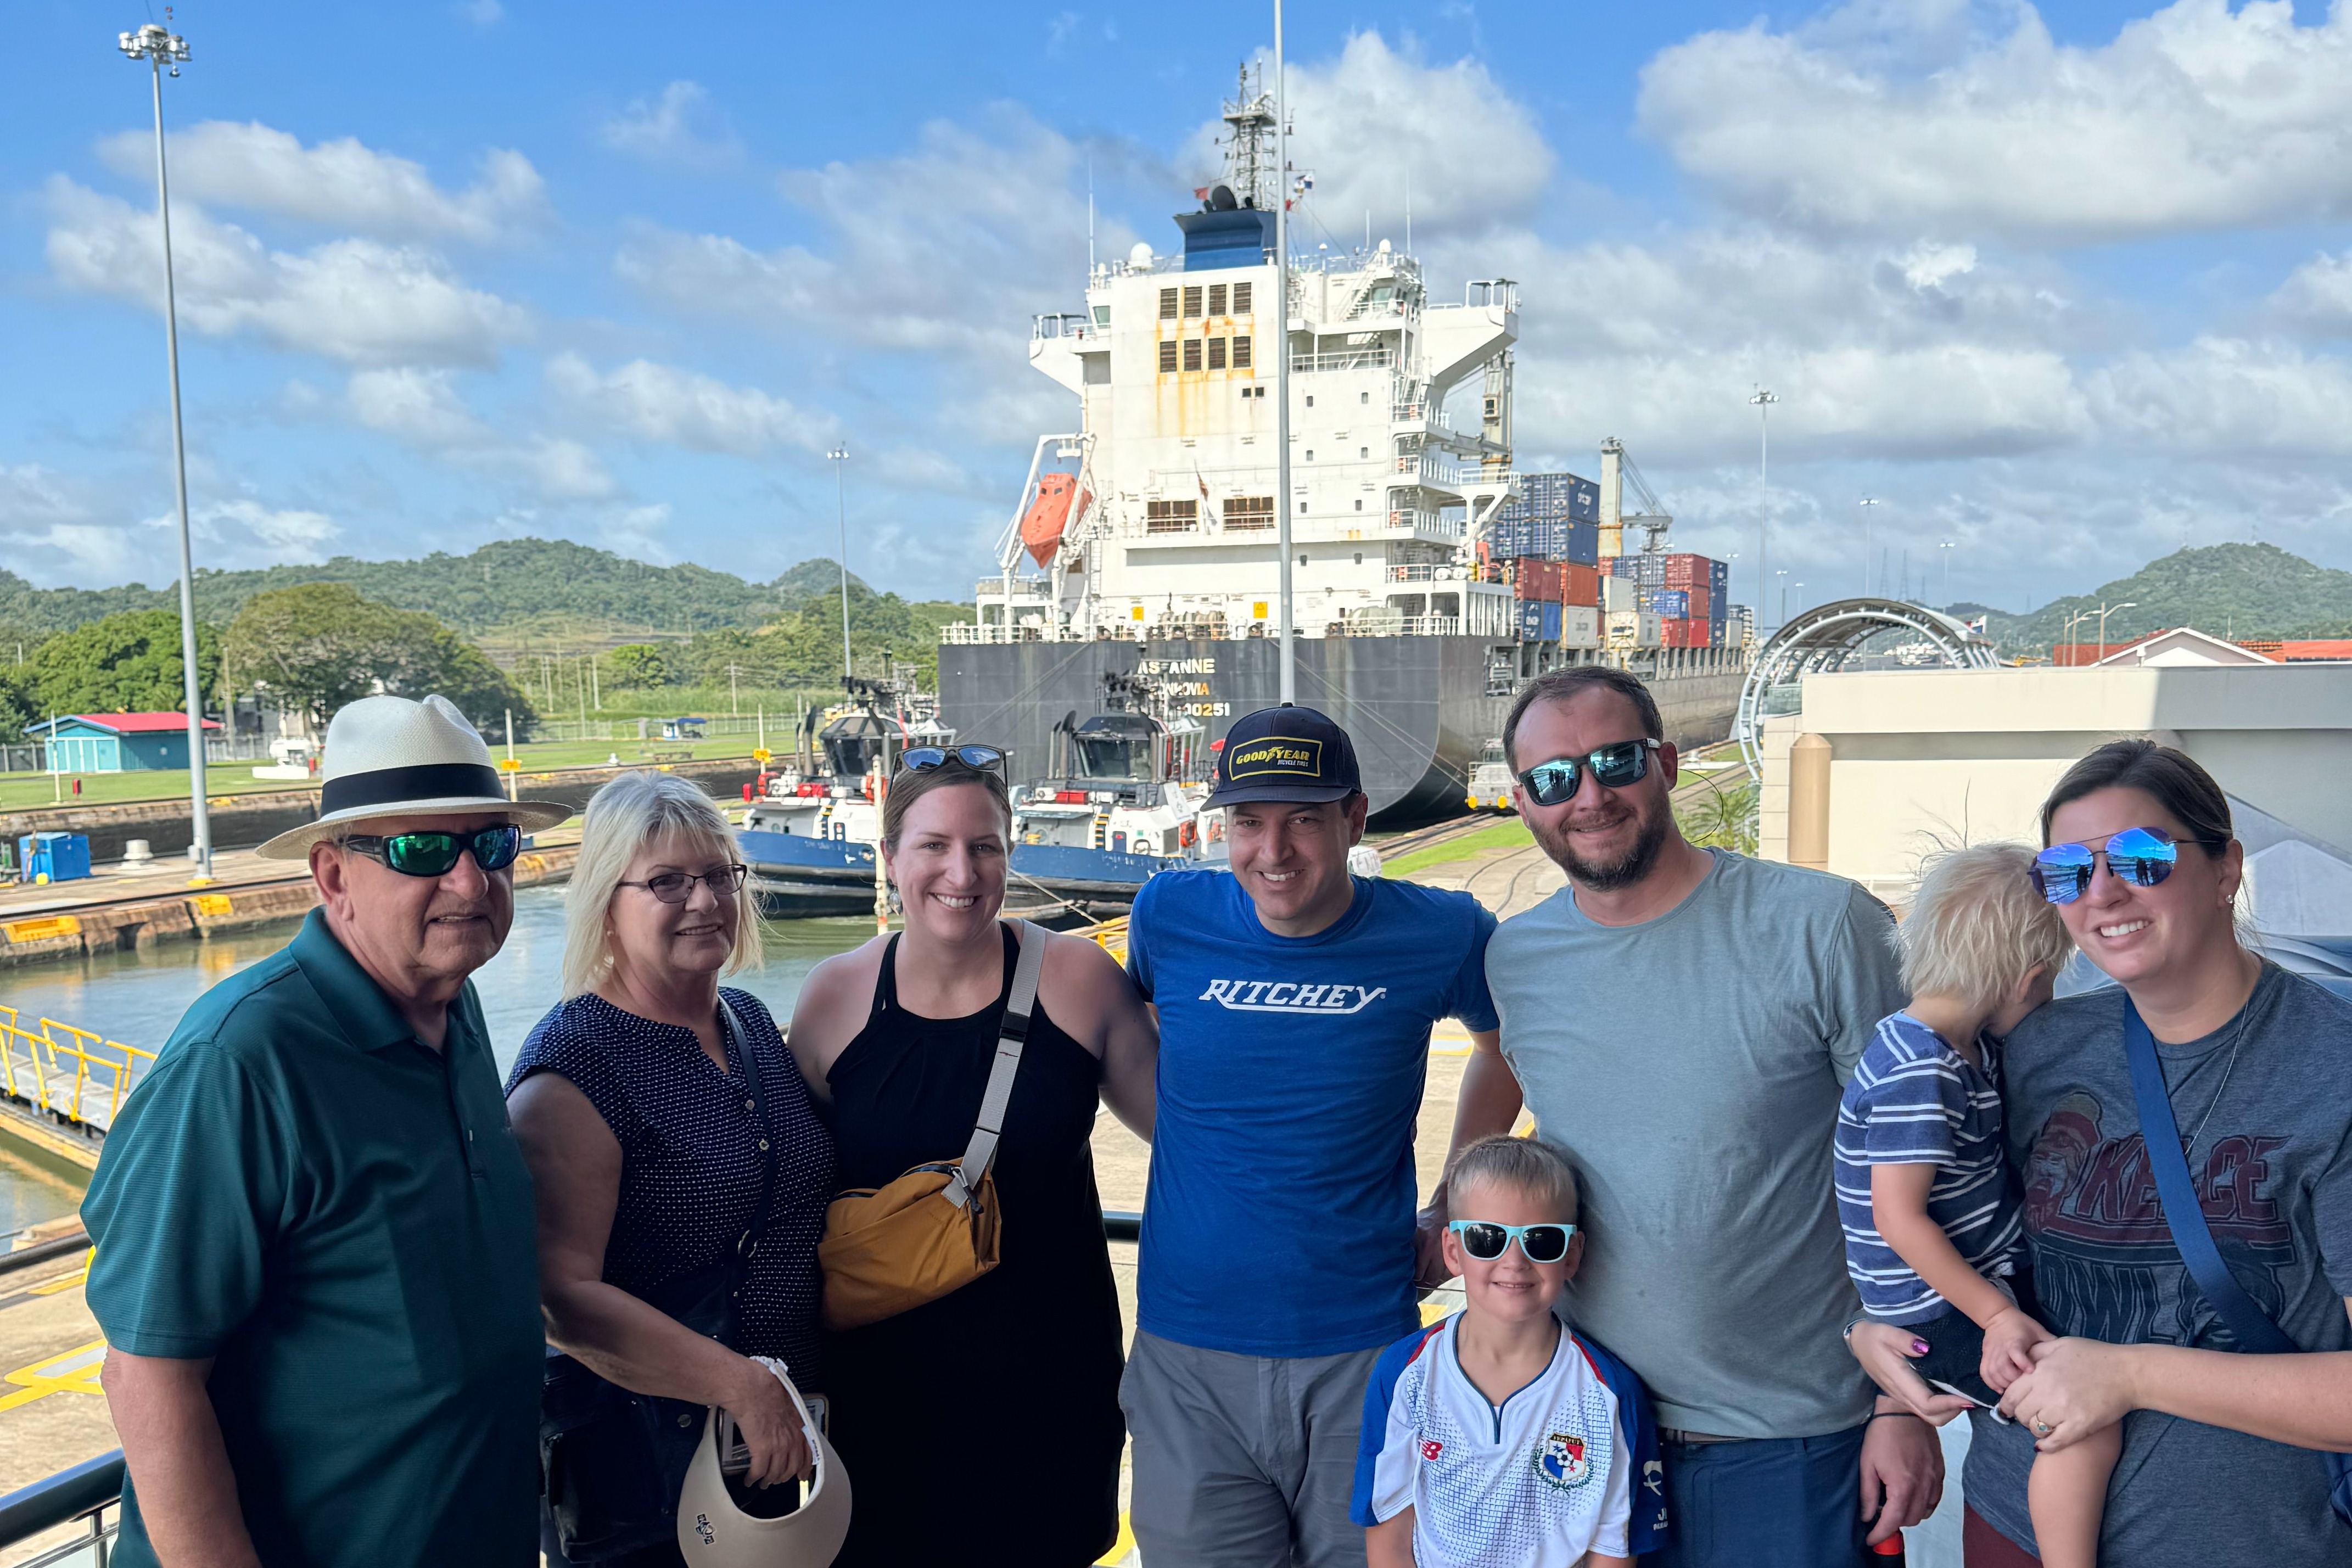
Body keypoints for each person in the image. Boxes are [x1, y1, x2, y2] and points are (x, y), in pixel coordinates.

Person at [1438, 665, 1943, 1565]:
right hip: (1585, 1433)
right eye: (1553, 779)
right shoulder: (1518, 959)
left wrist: (1899, 1402)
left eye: (1615, 762)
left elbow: (1923, 1168)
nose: (1588, 797)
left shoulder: (1822, 925)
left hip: (1797, 1439)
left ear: (1665, 763)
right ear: (1521, 802)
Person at [82, 693, 572, 1568]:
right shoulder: (240, 1061)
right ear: (334, 875)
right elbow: (147, 1376)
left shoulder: (451, 1010)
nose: (470, 882)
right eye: (422, 850)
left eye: (492, 845)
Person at [1850, 740, 2352, 1566]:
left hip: (2246, 1540)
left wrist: (2129, 1375)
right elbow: (1936, 1212)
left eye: (2143, 857)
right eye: (2067, 872)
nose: (2104, 892)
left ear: (2226, 869)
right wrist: (1888, 1366)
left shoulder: (2332, 1069)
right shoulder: (2034, 1050)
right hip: (2013, 1518)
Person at [1121, 703, 1502, 1568]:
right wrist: (1193, 1140)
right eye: (1247, 823)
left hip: (1362, 1347)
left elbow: (1503, 1048)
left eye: (1303, 820)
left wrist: (1453, 1202)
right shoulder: (1167, 914)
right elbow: (1135, 1039)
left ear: (1355, 819)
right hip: (1188, 1354)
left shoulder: (1444, 933)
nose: (1274, 851)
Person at [785, 742, 1156, 1566]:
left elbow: (1190, 1139)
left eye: (984, 845)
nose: (962, 871)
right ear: (890, 857)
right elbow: (792, 1198)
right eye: (934, 845)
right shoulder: (834, 997)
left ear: (1009, 853)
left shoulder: (1078, 980)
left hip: (1049, 1392)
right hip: (881, 1397)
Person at [507, 770, 838, 1566]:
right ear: (605, 902)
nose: (704, 901)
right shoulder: (573, 1068)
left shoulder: (747, 1020)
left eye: (720, 875)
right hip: (642, 1478)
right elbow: (561, 1299)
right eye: (667, 882)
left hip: (767, 1453)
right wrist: (742, 1387)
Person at [1833, 843, 2113, 1567]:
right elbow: (1898, 1218)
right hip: (1937, 1310)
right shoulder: (1918, 1068)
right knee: (2077, 1414)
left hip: (1967, 1288)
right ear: (2027, 979)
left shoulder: (1962, 1050)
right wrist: (1994, 1315)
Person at [1352, 1134, 1666, 1568]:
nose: (1514, 1261)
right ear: (1453, 1251)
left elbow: (1613, 1549)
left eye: (1541, 1240)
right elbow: (1388, 1536)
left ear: (1572, 1254)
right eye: (1487, 1239)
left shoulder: (1610, 1395)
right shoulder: (1406, 1373)